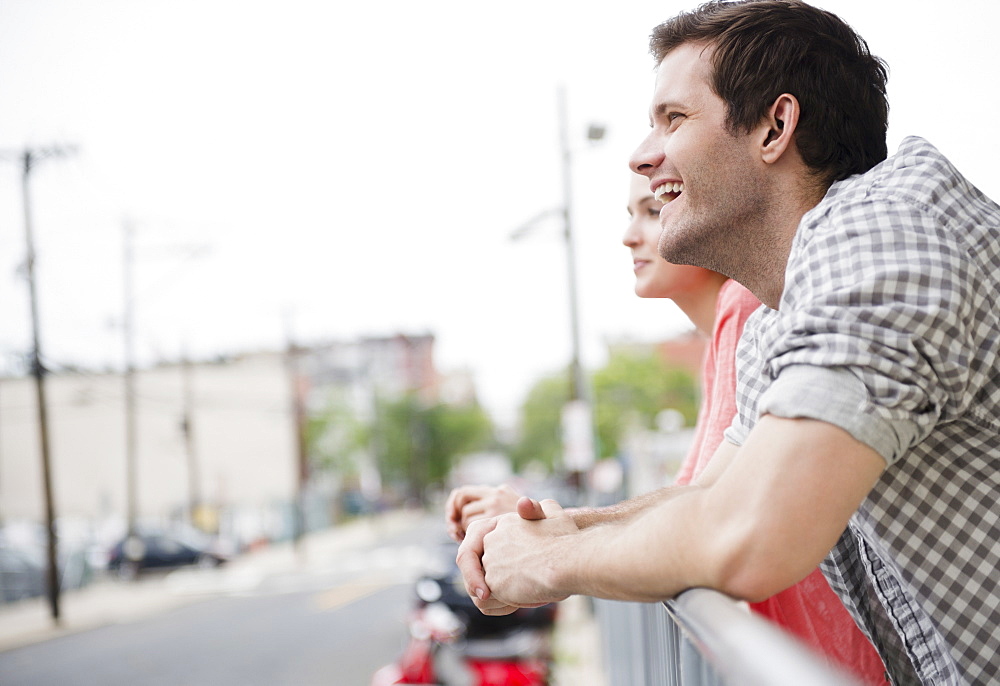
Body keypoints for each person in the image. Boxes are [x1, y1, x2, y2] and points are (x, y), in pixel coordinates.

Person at [456, 2, 1000, 684]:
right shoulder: (784, 309)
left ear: (775, 126)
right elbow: (710, 493)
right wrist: (567, 528)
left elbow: (749, 533)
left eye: (673, 119)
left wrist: (547, 565)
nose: (641, 154)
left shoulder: (883, 234)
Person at [448, 173, 887, 682]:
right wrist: (550, 526)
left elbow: (706, 505)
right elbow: (693, 499)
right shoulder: (730, 328)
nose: (630, 235)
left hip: (823, 661)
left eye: (653, 210)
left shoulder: (743, 308)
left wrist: (553, 540)